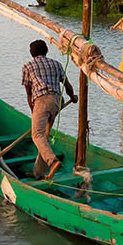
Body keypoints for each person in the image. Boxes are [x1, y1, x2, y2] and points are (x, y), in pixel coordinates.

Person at [22, 39, 78, 180]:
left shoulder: (28, 67)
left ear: (31, 53)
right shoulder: (56, 64)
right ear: (46, 51)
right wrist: (73, 96)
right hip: (57, 102)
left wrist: (34, 111)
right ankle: (39, 173)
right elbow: (67, 86)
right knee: (44, 137)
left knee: (37, 135)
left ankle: (52, 162)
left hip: (42, 101)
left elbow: (29, 94)